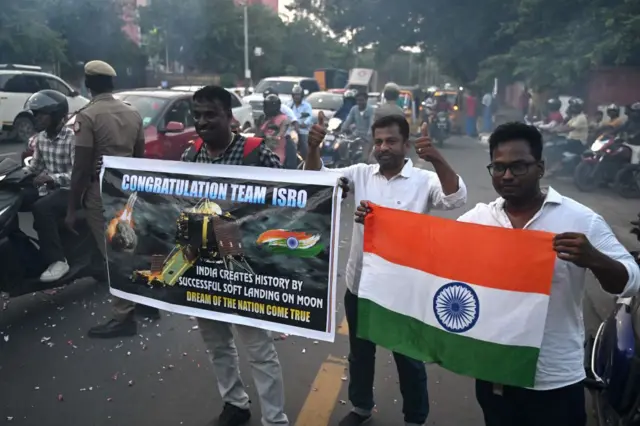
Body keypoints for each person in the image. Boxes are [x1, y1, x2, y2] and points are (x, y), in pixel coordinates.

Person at [455, 121, 640, 426]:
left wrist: (594, 258)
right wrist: (377, 223)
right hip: (495, 372)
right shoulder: (478, 220)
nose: (508, 176)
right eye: (498, 168)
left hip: (554, 379)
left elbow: (631, 281)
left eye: (519, 166)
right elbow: (429, 249)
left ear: (540, 167)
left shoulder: (580, 219)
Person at [305, 114, 468, 426]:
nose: (383, 147)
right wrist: (313, 149)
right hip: (361, 284)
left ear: (406, 145)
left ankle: (415, 418)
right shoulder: (360, 174)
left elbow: (456, 197)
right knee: (360, 354)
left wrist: (435, 158)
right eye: (378, 141)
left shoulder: (423, 180)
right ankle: (362, 408)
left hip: (403, 291)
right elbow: (318, 181)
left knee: (408, 357)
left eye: (391, 141)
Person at [183, 85, 288, 426]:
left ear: (230, 117)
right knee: (216, 342)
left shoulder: (257, 152)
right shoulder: (192, 155)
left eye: (210, 114)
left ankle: (274, 420)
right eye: (197, 115)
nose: (202, 122)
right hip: (205, 265)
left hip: (245, 265)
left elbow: (287, 203)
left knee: (258, 348)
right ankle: (235, 405)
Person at [71, 60, 155, 338]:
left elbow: (81, 167)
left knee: (112, 253)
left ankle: (123, 317)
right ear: (113, 83)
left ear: (87, 84)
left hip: (101, 192)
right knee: (131, 246)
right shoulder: (132, 113)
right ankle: (147, 301)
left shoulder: (88, 115)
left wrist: (72, 207)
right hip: (128, 189)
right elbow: (140, 158)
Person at [21, 90, 75, 282]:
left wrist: (52, 178)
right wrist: (16, 175)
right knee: (18, 197)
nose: (38, 119)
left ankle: (58, 261)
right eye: (36, 115)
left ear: (57, 115)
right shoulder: (41, 138)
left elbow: (77, 174)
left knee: (41, 208)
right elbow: (35, 166)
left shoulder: (72, 138)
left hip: (70, 190)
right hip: (50, 189)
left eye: (42, 115)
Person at [260, 94, 293, 168]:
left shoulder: (285, 119)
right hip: (262, 149)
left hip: (277, 150)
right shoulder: (263, 118)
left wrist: (271, 136)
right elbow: (258, 133)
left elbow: (280, 134)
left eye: (269, 106)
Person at [288, 84, 313, 158]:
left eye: (298, 95)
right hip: (290, 131)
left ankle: (307, 161)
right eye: (295, 95)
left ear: (301, 95)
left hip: (302, 131)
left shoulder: (307, 106)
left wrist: (304, 124)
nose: (296, 96)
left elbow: (309, 117)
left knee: (305, 147)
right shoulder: (289, 105)